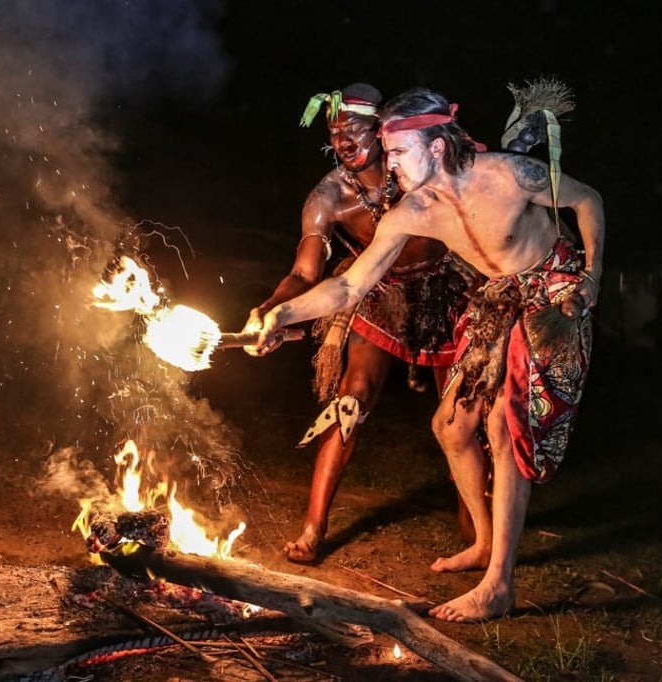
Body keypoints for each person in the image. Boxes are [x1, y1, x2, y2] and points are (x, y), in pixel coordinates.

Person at [253, 86, 605, 622]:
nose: (387, 163)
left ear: (436, 148)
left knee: (503, 427)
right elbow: (349, 287)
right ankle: (485, 543)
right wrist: (284, 313)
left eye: (397, 153)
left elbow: (587, 199)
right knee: (451, 427)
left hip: (552, 290)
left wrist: (592, 276)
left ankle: (498, 585)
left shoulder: (509, 174)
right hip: (497, 296)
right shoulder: (411, 211)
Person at [243, 83, 480, 563]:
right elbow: (303, 274)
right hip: (378, 293)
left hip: (448, 294)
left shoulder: (422, 170)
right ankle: (313, 527)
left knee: (459, 418)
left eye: (354, 130)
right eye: (335, 133)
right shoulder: (328, 197)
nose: (343, 142)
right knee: (350, 399)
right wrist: (270, 309)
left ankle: (477, 530)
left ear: (381, 129)